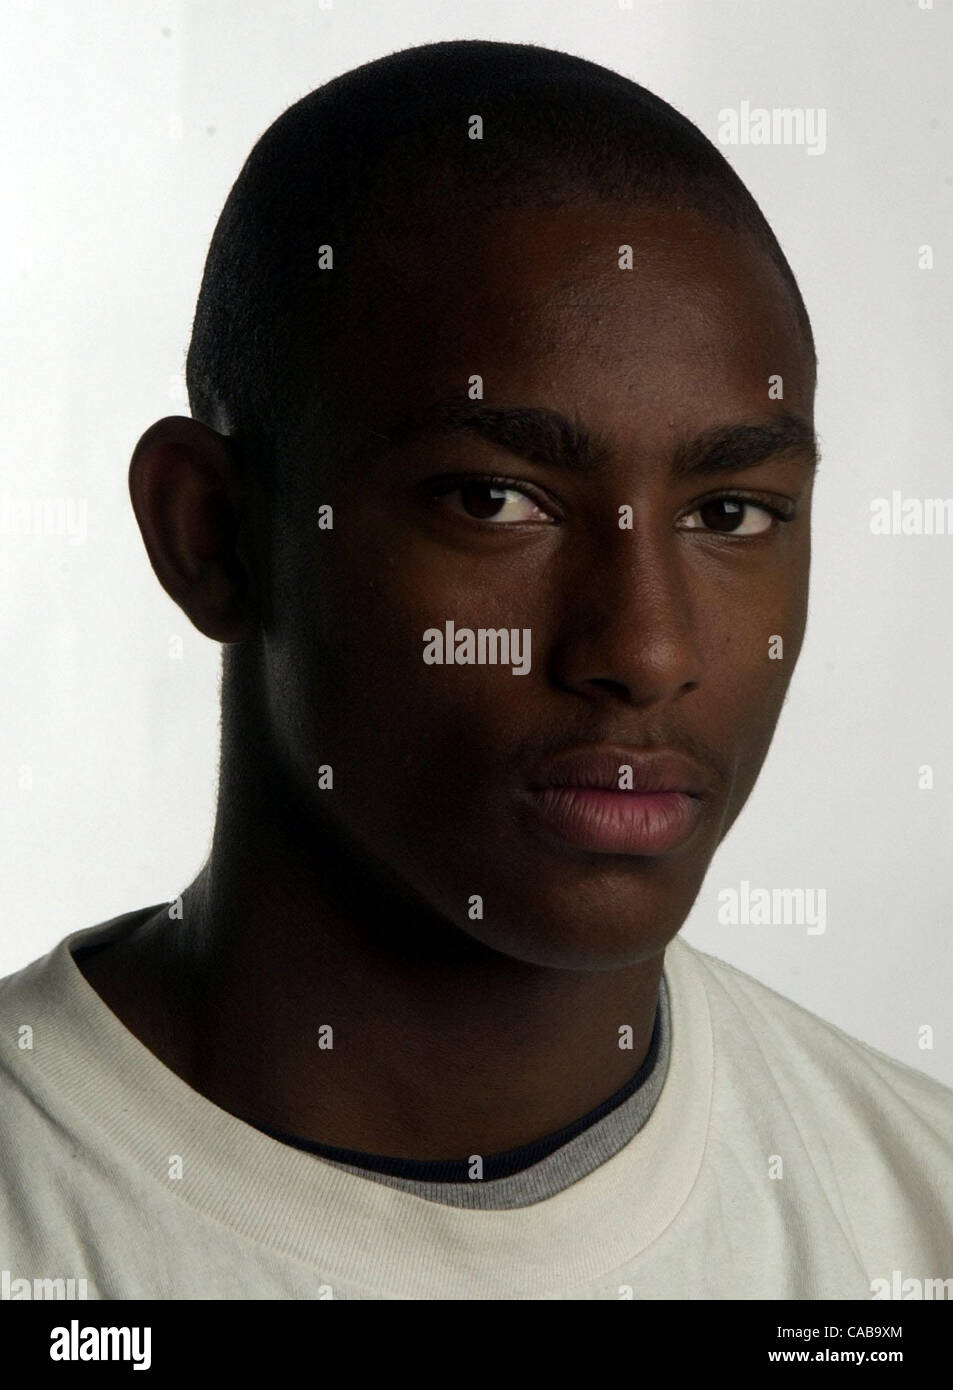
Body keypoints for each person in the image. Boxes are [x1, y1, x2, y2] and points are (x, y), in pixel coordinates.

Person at [2, 38, 951, 1302]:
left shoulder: (915, 1216)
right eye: (496, 498)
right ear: (213, 535)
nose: (643, 652)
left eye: (729, 513)